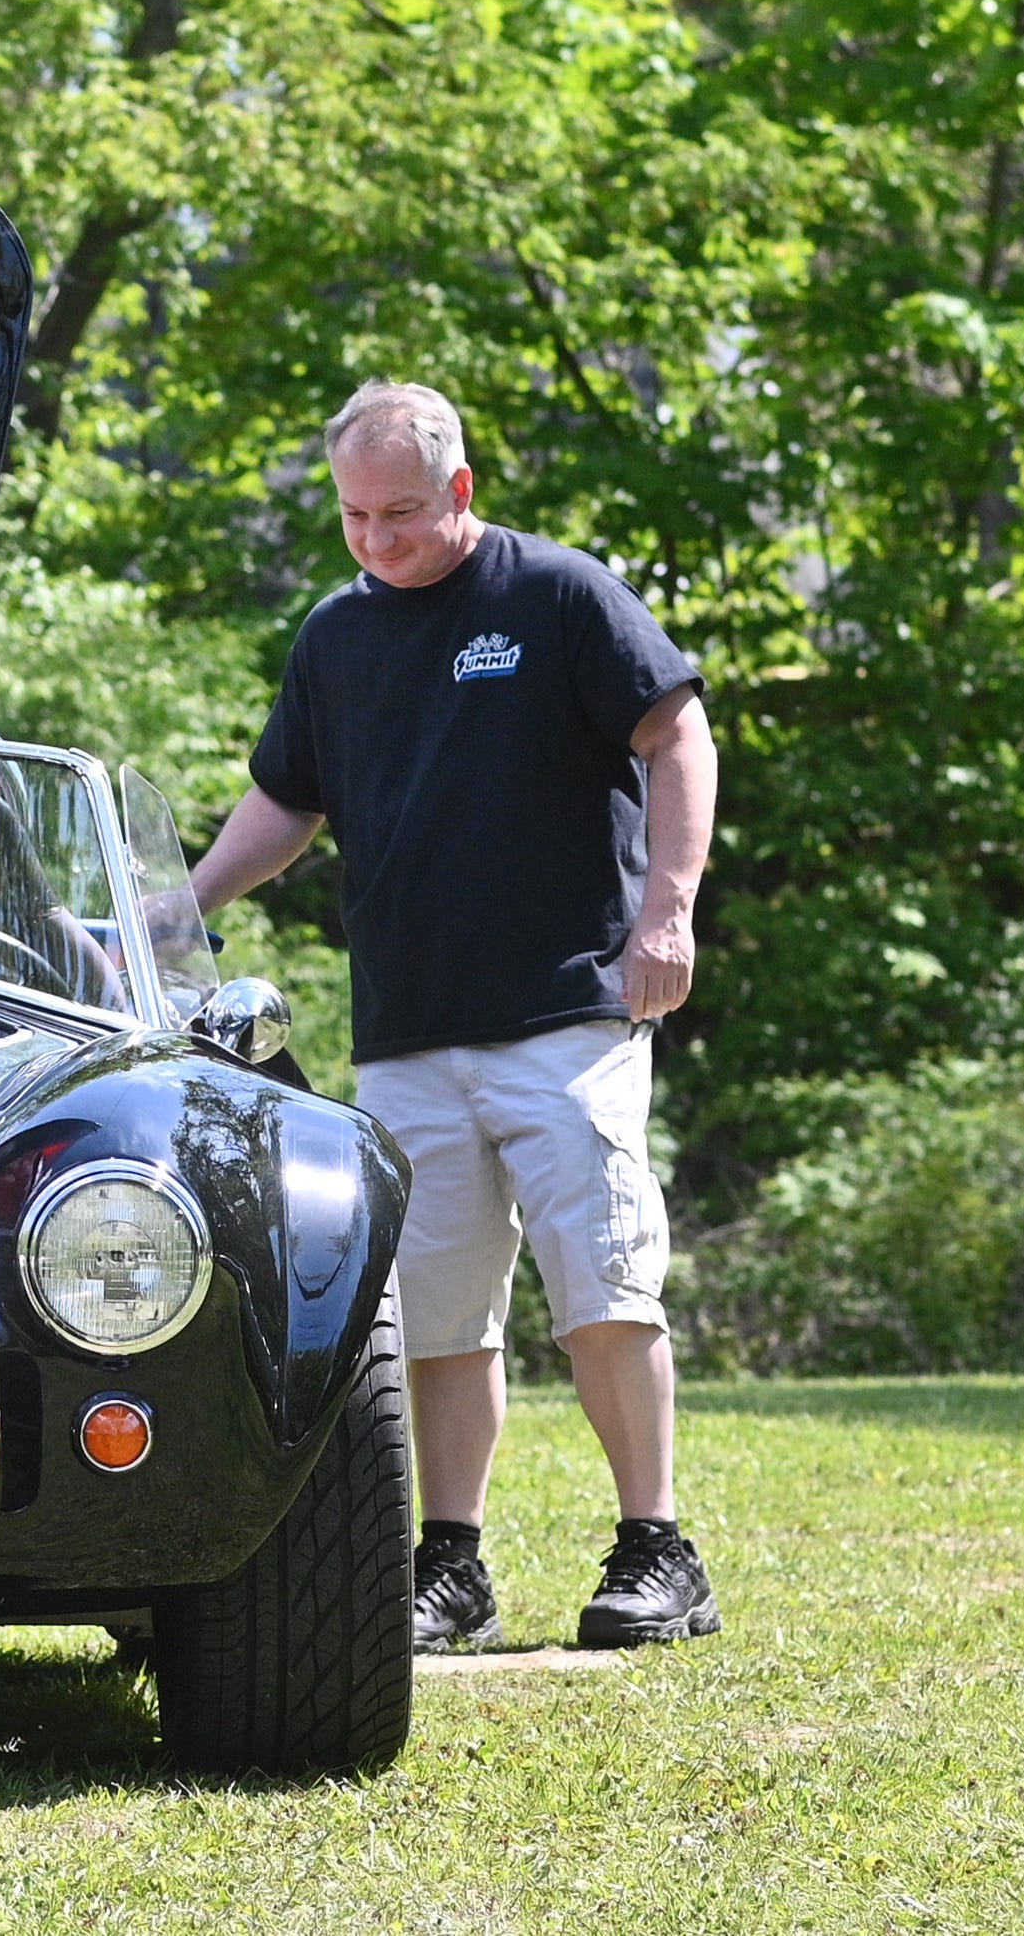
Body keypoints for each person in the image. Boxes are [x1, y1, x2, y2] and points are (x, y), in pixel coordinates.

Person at [188, 380, 723, 1651]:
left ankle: (658, 1551)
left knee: (602, 1285)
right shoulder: (337, 636)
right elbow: (288, 801)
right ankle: (453, 1567)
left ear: (462, 492)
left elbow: (678, 734)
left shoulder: (557, 595)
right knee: (432, 1314)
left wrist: (668, 909)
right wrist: (187, 901)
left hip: (565, 1014)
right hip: (409, 1033)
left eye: (403, 515)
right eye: (355, 518)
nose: (377, 541)